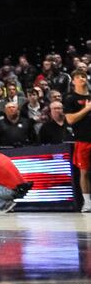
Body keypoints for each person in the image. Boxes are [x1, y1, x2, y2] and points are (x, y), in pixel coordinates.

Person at [65, 67, 91, 212]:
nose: (83, 78)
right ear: (74, 81)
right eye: (79, 76)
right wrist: (86, 109)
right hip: (83, 140)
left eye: (84, 75)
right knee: (84, 172)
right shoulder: (70, 98)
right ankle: (87, 203)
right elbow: (70, 119)